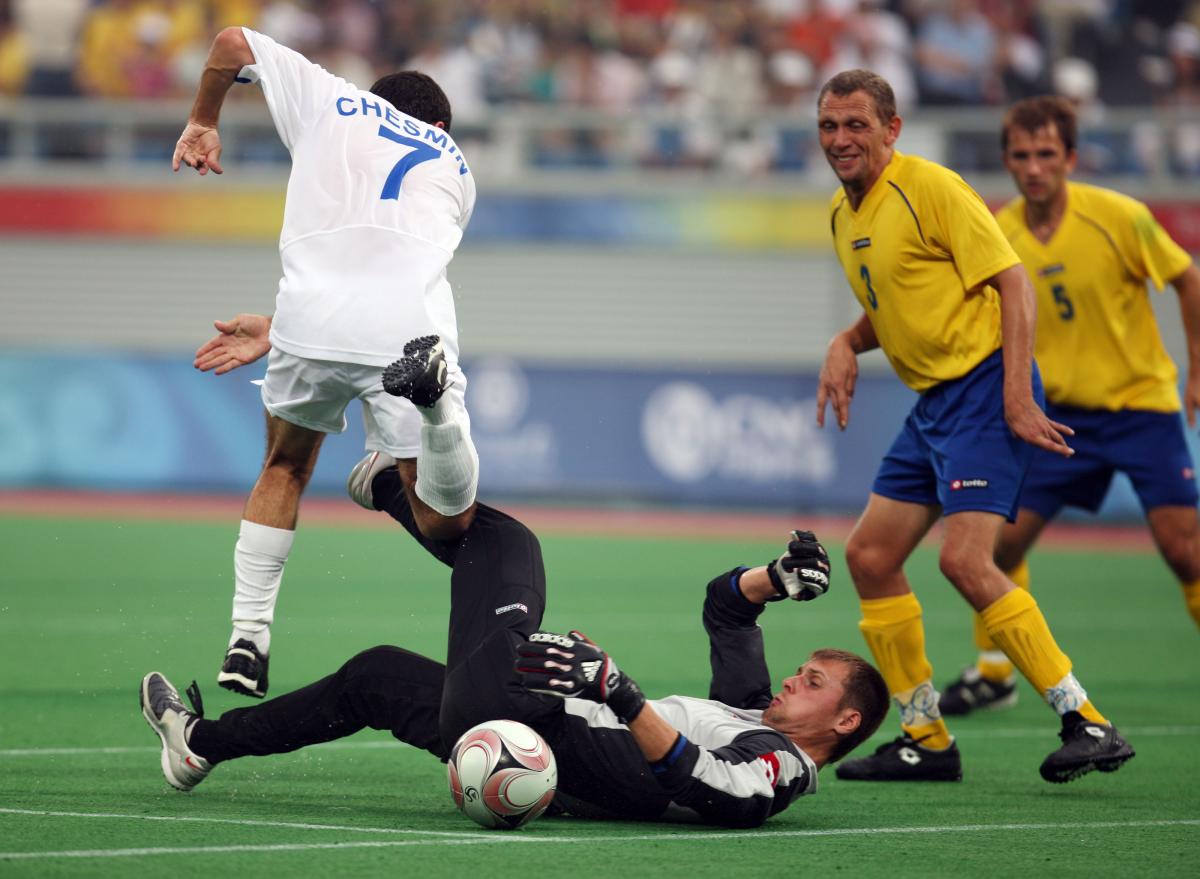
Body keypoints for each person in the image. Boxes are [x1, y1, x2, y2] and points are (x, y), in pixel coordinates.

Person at [140, 471, 890, 829]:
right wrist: (776, 579)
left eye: (815, 680)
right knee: (373, 675)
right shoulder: (754, 707)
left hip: (530, 728)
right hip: (526, 718)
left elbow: (721, 791)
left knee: (510, 544)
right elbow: (726, 611)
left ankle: (395, 476)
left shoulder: (783, 762)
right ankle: (197, 743)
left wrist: (617, 689)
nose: (795, 678)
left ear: (846, 722)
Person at [813, 69, 1134, 783]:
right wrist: (845, 342)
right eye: (830, 126)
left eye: (856, 124)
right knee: (869, 556)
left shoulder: (931, 187)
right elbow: (897, 308)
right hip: (933, 403)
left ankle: (1086, 720)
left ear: (892, 129)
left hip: (984, 388)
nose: (840, 139)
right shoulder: (844, 213)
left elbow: (1011, 280)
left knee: (964, 559)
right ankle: (925, 736)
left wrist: (1017, 394)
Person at [175, 25, 481, 699]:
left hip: (307, 322)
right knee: (444, 521)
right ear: (436, 123)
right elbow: (384, 259)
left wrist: (203, 120)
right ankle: (437, 411)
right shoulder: (458, 168)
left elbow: (229, 41)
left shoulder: (330, 99)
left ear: (371, 100)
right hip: (407, 338)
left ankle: (248, 637)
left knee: (283, 466)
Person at [939, 95, 1200, 716]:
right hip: (1057, 419)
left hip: (1141, 408)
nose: (1034, 168)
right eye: (1022, 156)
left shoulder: (1120, 215)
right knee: (995, 547)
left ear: (1071, 158)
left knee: (1184, 550)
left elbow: (1188, 277)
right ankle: (996, 673)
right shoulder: (998, 232)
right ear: (1006, 160)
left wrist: (1198, 369)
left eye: (1047, 154)